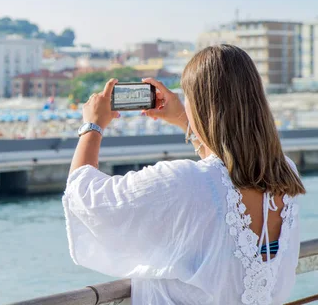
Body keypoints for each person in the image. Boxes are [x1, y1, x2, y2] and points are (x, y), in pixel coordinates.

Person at [63, 45, 305, 305]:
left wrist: (92, 126)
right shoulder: (284, 173)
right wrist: (183, 119)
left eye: (189, 97)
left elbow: (85, 196)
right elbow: (224, 173)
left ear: (200, 105)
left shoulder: (181, 181)